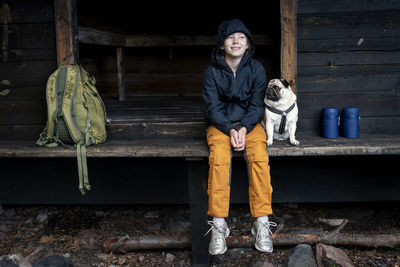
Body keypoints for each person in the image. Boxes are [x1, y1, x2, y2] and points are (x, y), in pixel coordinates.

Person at [202, 18, 275, 255]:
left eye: (241, 37)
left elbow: (256, 105)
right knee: (220, 160)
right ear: (222, 44)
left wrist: (243, 128)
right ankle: (219, 226)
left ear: (248, 44)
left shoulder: (256, 69)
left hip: (250, 125)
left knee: (259, 158)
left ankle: (262, 223)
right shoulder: (212, 71)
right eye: (230, 37)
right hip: (220, 125)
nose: (236, 41)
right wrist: (230, 129)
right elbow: (212, 107)